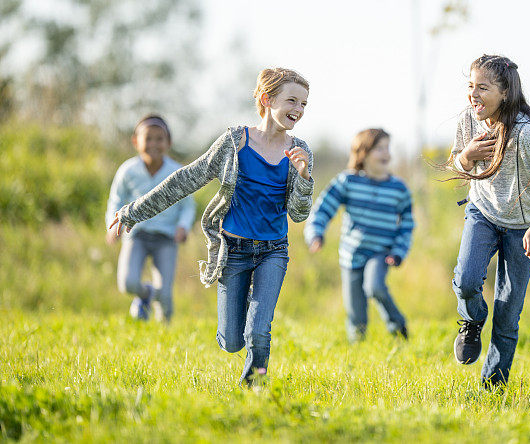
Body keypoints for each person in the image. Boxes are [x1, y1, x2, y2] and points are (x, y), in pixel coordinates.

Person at [108, 68, 314, 386]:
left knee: (258, 330)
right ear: (266, 99)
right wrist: (134, 212)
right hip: (233, 251)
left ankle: (254, 387)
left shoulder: (300, 153)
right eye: (292, 101)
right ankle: (243, 306)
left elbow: (299, 215)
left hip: (274, 250)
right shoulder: (233, 142)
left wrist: (303, 178)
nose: (298, 110)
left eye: (304, 104)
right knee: (232, 341)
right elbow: (185, 179)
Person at [447, 54, 530, 388]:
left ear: (504, 93)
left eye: (482, 87)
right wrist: (467, 156)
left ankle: (493, 386)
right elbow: (456, 165)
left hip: (524, 226)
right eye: (470, 86)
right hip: (482, 213)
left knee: (508, 310)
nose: (474, 94)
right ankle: (471, 321)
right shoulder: (467, 122)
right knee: (467, 281)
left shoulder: (528, 135)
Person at [305, 128, 413, 342]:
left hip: (381, 253)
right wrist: (316, 234)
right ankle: (358, 347)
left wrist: (399, 251)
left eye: (387, 148)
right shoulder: (348, 182)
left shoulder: (398, 189)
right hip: (351, 254)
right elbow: (323, 209)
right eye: (379, 148)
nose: (386, 153)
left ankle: (398, 326)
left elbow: (407, 225)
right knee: (356, 313)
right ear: (363, 153)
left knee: (375, 287)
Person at [105, 114, 195, 323]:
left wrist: (183, 226)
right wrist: (113, 225)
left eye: (159, 139)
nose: (154, 144)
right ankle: (145, 295)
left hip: (167, 238)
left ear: (169, 143)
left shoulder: (176, 172)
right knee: (127, 283)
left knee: (164, 292)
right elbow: (115, 201)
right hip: (136, 235)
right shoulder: (128, 171)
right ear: (136, 142)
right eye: (149, 138)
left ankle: (166, 331)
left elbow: (188, 206)